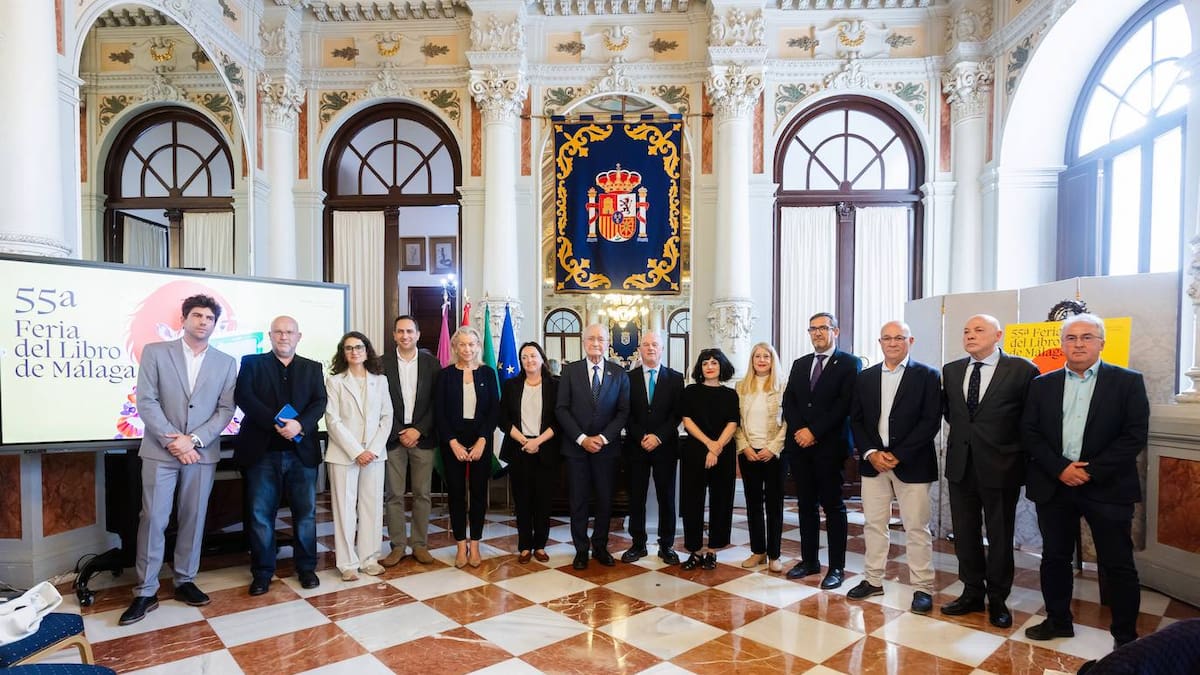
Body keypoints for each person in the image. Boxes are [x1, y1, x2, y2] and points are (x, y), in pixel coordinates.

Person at [1021, 313, 1149, 649]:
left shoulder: (1128, 382)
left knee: (1117, 564)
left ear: (1102, 343)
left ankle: (1125, 638)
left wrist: (1089, 471)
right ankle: (1058, 620)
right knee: (1055, 557)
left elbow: (1134, 436)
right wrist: (1061, 468)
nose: (1079, 344)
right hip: (1054, 484)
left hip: (1107, 487)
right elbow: (1029, 433)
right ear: (1062, 343)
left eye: (1087, 337)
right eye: (1071, 338)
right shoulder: (1041, 385)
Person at [120, 295, 237, 626]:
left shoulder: (227, 362)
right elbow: (146, 400)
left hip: (202, 452)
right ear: (183, 320)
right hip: (162, 451)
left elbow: (226, 409)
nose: (202, 321)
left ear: (215, 325)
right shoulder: (157, 353)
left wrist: (195, 441)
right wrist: (176, 441)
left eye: (209, 318)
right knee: (153, 518)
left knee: (194, 517)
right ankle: (145, 590)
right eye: (196, 316)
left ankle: (185, 580)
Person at [941, 314, 1038, 627]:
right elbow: (951, 414)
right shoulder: (952, 370)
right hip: (961, 465)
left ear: (999, 334)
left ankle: (998, 597)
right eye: (966, 331)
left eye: (978, 330)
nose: (970, 335)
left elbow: (1032, 419)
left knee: (999, 536)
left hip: (1002, 466)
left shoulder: (1022, 369)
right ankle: (971, 591)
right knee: (965, 534)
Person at [847, 320, 941, 614]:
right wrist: (872, 452)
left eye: (899, 338)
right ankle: (873, 580)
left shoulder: (927, 375)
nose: (892, 343)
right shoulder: (866, 377)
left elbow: (930, 421)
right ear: (880, 342)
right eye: (887, 338)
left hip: (912, 463)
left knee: (916, 527)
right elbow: (857, 420)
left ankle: (922, 588)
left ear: (910, 341)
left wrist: (899, 454)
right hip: (874, 464)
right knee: (874, 525)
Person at [233, 316, 328, 596]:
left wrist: (300, 424)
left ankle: (306, 568)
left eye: (289, 332)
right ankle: (263, 572)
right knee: (261, 515)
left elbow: (319, 401)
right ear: (270, 336)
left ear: (299, 336)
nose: (284, 337)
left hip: (301, 453)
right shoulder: (252, 363)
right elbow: (244, 397)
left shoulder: (312, 368)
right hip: (262, 453)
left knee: (306, 514)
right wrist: (276, 423)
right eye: (278, 332)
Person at [781, 312, 860, 588]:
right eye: (812, 329)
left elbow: (845, 405)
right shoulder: (800, 364)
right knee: (805, 506)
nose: (817, 333)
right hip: (800, 449)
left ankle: (836, 567)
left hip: (830, 447)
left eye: (823, 328)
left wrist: (814, 431)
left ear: (835, 332)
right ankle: (809, 560)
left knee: (833, 507)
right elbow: (789, 401)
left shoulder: (850, 363)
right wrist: (800, 430)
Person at [555, 323, 630, 570]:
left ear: (608, 342)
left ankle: (600, 546)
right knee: (578, 500)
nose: (595, 343)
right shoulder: (570, 372)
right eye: (591, 339)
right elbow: (561, 409)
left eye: (600, 339)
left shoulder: (619, 374)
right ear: (583, 342)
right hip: (576, 449)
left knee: (605, 500)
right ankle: (581, 549)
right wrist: (582, 438)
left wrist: (603, 438)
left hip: (606, 450)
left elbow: (623, 412)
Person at [324, 332, 394, 581]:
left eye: (359, 347)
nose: (354, 352)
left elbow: (387, 418)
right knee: (344, 508)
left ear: (367, 351)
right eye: (349, 348)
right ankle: (347, 563)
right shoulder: (335, 382)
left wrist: (371, 450)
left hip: (374, 453)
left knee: (371, 506)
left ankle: (369, 558)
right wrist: (357, 451)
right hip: (344, 454)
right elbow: (332, 420)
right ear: (343, 353)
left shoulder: (380, 380)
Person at [434, 326, 500, 568]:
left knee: (480, 494)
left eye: (472, 344)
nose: (467, 349)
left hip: (481, 439)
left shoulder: (488, 374)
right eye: (462, 344)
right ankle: (460, 544)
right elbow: (439, 413)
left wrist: (483, 439)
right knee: (457, 494)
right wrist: (452, 442)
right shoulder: (445, 375)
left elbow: (494, 410)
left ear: (478, 347)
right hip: (453, 441)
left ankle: (476, 544)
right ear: (454, 347)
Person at [380, 315, 441, 567]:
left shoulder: (432, 363)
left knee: (422, 494)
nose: (405, 336)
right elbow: (378, 402)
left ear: (417, 334)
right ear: (394, 335)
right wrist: (398, 431)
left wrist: (418, 430)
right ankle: (397, 546)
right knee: (393, 494)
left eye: (409, 331)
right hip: (393, 438)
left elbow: (438, 402)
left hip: (422, 438)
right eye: (400, 331)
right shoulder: (380, 364)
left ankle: (419, 544)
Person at [621, 330, 685, 565]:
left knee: (666, 497)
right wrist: (642, 436)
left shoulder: (675, 378)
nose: (650, 348)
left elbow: (677, 414)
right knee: (635, 497)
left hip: (665, 447)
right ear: (640, 349)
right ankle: (638, 544)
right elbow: (624, 412)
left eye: (654, 344)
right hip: (635, 448)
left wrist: (658, 436)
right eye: (646, 345)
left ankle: (666, 545)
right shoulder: (628, 378)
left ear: (662, 349)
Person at [498, 342, 560, 564]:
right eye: (524, 357)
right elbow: (502, 418)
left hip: (546, 450)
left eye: (533, 356)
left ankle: (541, 545)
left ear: (542, 358)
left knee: (543, 501)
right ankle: (524, 546)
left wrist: (538, 442)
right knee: (522, 500)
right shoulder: (511, 385)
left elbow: (559, 419)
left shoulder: (555, 385)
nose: (529, 360)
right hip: (519, 448)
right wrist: (525, 440)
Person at [679, 348, 740, 571]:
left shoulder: (731, 394)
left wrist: (716, 449)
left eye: (714, 362)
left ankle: (713, 550)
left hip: (723, 452)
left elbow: (733, 423)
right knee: (692, 500)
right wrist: (709, 445)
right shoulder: (690, 391)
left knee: (721, 500)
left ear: (721, 366)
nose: (710, 366)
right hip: (695, 450)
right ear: (700, 368)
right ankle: (694, 551)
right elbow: (687, 421)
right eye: (705, 363)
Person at [735, 343, 788, 572]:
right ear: (752, 360)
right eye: (757, 356)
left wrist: (773, 447)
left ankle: (775, 554)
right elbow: (735, 422)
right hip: (749, 453)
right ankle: (758, 551)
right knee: (753, 503)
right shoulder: (741, 387)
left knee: (774, 505)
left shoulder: (783, 387)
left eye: (766, 356)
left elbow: (788, 422)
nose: (762, 360)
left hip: (774, 454)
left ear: (772, 360)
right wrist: (745, 446)